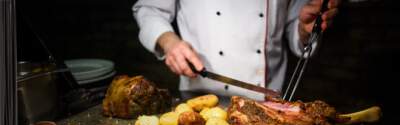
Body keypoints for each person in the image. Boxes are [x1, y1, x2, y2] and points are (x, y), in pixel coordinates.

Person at [133, 0, 340, 100]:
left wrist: (305, 30)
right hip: (199, 99)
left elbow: (296, 26)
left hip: (266, 100)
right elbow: (149, 9)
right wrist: (170, 43)